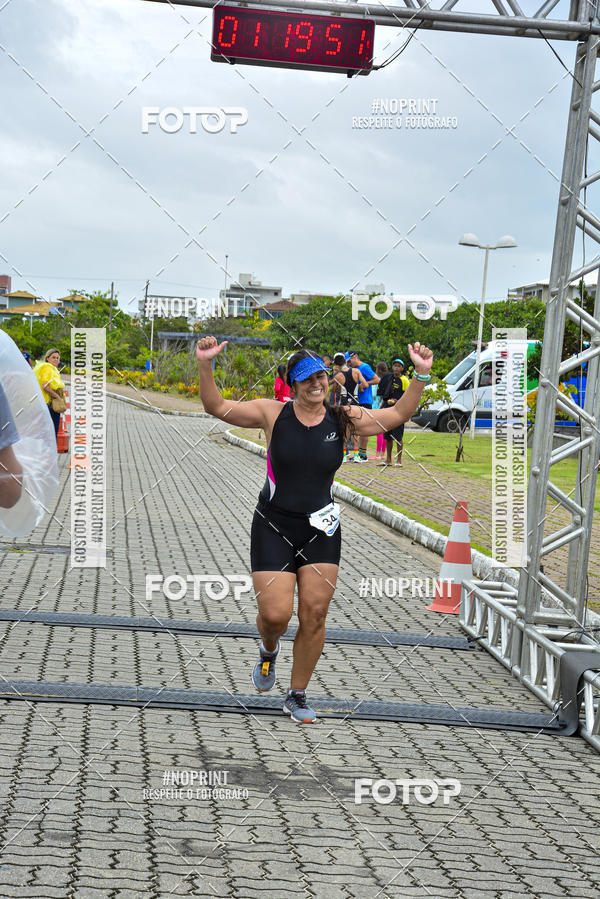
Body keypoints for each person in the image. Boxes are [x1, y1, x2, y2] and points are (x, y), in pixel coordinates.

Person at [196, 336, 434, 723]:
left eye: (321, 377)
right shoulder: (272, 413)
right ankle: (269, 649)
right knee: (275, 616)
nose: (316, 384)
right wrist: (206, 364)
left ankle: (297, 694)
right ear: (293, 384)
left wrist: (421, 374)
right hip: (274, 524)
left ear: (328, 380)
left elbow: (396, 416)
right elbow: (216, 406)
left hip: (321, 527)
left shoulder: (343, 418)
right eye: (306, 379)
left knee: (316, 612)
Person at [0, 330, 59, 535]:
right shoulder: (45, 370)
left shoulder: (49, 369)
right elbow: (9, 489)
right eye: (54, 357)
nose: (57, 360)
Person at [332, 352, 368, 462]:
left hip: (344, 405)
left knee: (344, 430)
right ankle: (356, 456)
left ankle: (343, 456)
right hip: (355, 404)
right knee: (355, 429)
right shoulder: (356, 371)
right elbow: (365, 385)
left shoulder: (338, 376)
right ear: (345, 362)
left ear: (337, 365)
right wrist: (358, 387)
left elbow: (334, 390)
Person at [379, 358, 411, 467]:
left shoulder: (404, 380)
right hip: (388, 409)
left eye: (399, 366)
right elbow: (385, 396)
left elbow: (408, 396)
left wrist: (398, 401)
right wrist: (380, 408)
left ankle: (399, 460)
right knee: (388, 436)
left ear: (402, 368)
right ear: (392, 367)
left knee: (398, 437)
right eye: (395, 366)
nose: (396, 368)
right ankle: (388, 460)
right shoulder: (389, 378)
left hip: (399, 411)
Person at [348, 351, 379, 461]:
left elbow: (376, 379)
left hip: (365, 400)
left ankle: (363, 454)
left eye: (349, 361)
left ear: (355, 357)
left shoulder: (364, 367)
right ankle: (358, 454)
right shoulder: (352, 370)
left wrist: (364, 385)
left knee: (364, 428)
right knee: (357, 428)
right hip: (357, 400)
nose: (349, 363)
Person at [33, 348, 65, 437]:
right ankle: (50, 450)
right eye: (53, 357)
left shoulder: (51, 368)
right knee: (51, 432)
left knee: (48, 431)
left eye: (57, 358)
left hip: (47, 403)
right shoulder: (48, 368)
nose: (56, 360)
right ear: (47, 358)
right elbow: (45, 386)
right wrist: (57, 397)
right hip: (50, 403)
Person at [372, 362, 389, 462]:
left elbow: (375, 396)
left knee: (379, 432)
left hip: (377, 408)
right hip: (385, 408)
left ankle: (378, 454)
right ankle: (382, 453)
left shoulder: (378, 382)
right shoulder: (388, 380)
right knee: (384, 431)